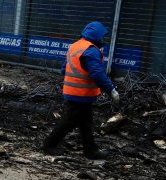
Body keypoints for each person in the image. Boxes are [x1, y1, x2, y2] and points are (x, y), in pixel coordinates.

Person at [42, 21, 119, 160]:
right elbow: (97, 73)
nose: (104, 40)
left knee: (85, 122)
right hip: (80, 94)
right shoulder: (90, 50)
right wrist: (111, 90)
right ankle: (49, 144)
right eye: (103, 37)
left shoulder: (76, 46)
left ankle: (91, 151)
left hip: (75, 93)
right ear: (96, 36)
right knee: (70, 122)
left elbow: (64, 68)